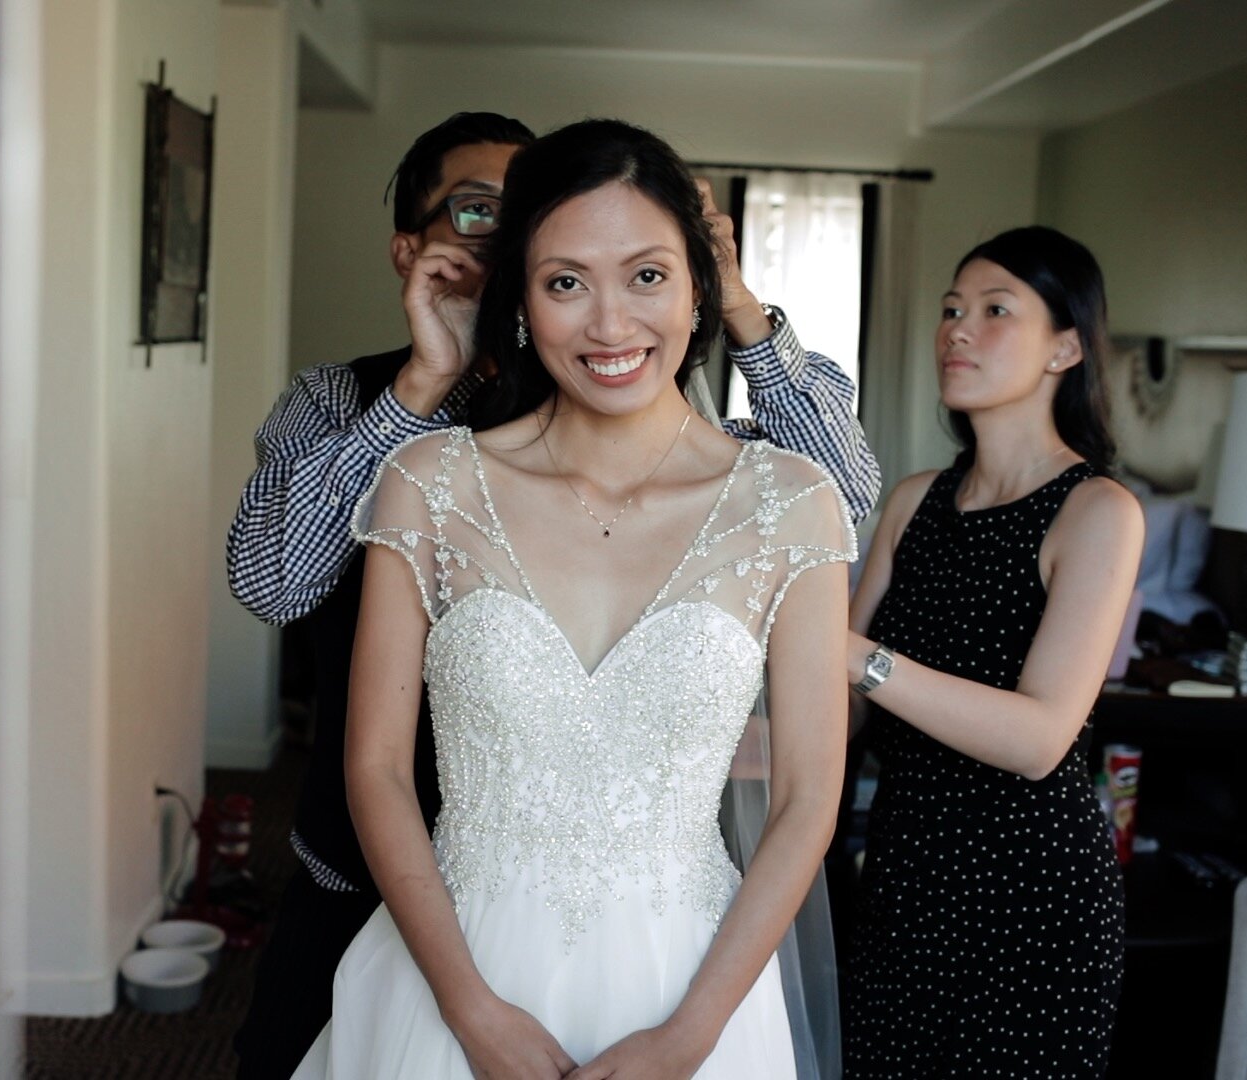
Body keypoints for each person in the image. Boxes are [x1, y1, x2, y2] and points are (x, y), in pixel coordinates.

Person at [228, 111, 879, 1078]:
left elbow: (807, 797)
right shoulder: (418, 466)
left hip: (688, 983)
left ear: (699, 283)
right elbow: (347, 719)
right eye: (565, 279)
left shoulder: (789, 496)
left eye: (649, 274)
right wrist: (469, 1009)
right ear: (518, 298)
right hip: (428, 946)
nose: (611, 322)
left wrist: (690, 1036)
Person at [839, 225, 1142, 1077]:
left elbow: (1041, 738)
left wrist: (855, 655)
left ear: (1066, 348)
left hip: (1032, 903)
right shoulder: (912, 502)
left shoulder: (1098, 512)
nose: (956, 331)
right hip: (902, 882)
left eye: (994, 310)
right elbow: (847, 709)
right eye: (949, 310)